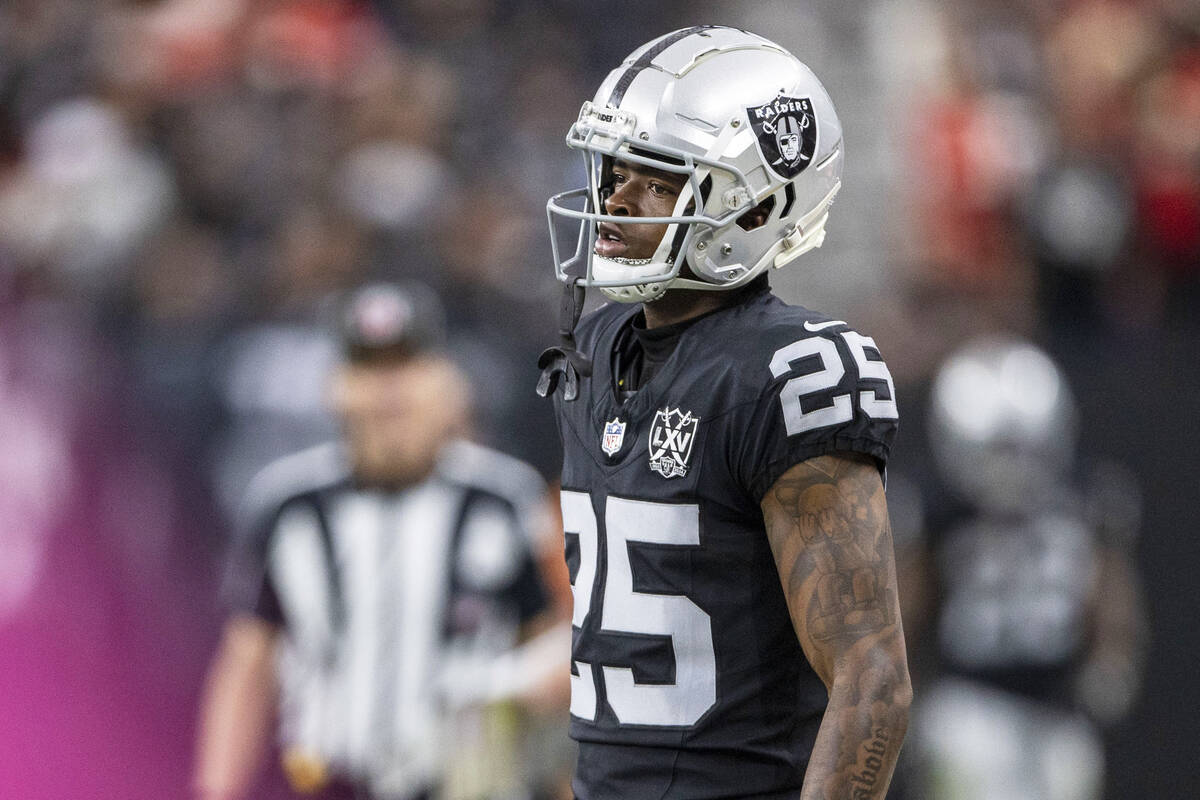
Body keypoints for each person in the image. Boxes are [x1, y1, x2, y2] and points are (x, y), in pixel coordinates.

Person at [537, 26, 911, 800]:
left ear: (754, 208)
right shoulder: (599, 343)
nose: (614, 199)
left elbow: (871, 677)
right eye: (615, 170)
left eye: (657, 180)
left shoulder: (788, 373)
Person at [195, 282, 564, 800]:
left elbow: (552, 650)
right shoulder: (287, 504)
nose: (389, 389)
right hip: (332, 780)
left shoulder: (504, 500)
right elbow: (247, 665)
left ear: (446, 381)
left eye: (406, 365)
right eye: (369, 368)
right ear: (335, 385)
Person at [892, 337, 1148, 800]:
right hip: (970, 705)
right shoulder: (937, 508)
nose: (1008, 473)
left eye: (1021, 451)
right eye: (996, 452)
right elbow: (908, 604)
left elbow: (1110, 584)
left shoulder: (1088, 494)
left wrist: (1113, 655)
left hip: (1061, 705)